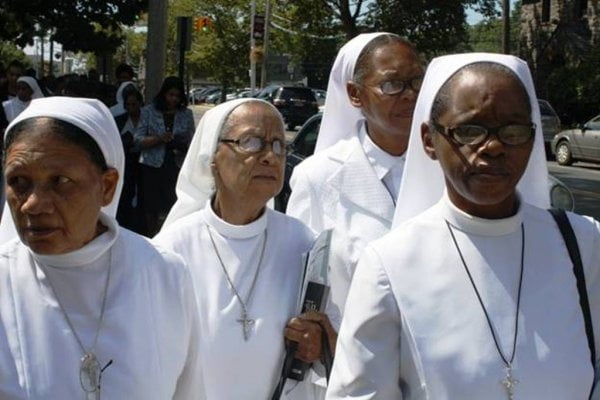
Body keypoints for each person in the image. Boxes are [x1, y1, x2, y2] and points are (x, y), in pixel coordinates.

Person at [326, 53, 600, 399]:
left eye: (513, 130)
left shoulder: (585, 242)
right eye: (470, 130)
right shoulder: (389, 264)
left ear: (532, 140)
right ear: (429, 140)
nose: (494, 147)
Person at [0, 97, 204, 398]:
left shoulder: (164, 273)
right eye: (19, 181)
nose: (33, 204)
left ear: (107, 186)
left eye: (60, 181)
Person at [155, 98, 335, 399]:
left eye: (279, 145)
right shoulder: (171, 251)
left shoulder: (304, 243)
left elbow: (334, 348)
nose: (270, 156)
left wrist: (320, 342)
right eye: (252, 142)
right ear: (212, 156)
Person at [286, 33, 423, 329]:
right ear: (355, 94)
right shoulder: (318, 177)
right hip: (348, 361)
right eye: (392, 84)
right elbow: (302, 286)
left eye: (416, 81)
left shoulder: (448, 168)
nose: (410, 94)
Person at [135, 76, 195, 236]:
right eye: (171, 95)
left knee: (173, 205)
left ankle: (170, 235)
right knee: (150, 206)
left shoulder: (186, 114)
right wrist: (159, 138)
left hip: (176, 165)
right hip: (152, 165)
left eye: (177, 96)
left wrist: (180, 143)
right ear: (164, 94)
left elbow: (192, 140)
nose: (174, 99)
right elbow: (138, 139)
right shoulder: (149, 111)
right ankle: (149, 235)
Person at [115, 86, 144, 232]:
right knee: (126, 193)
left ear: (140, 103)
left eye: (134, 104)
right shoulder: (120, 121)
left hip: (144, 161)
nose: (131, 108)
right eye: (128, 105)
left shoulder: (147, 119)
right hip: (127, 162)